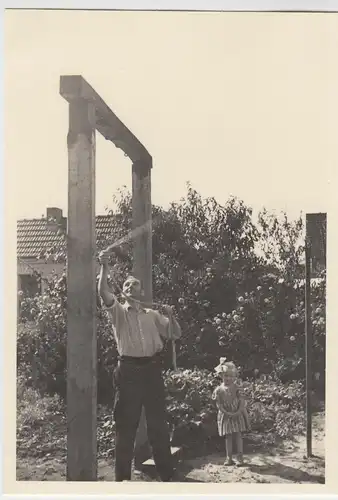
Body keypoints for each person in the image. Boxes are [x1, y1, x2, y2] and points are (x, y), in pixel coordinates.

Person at [98, 247, 182, 482]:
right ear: (122, 293)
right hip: (128, 372)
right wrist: (104, 267)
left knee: (158, 425)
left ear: (142, 291)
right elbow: (103, 291)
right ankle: (122, 479)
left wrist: (171, 315)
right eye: (126, 285)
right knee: (126, 427)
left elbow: (175, 334)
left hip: (152, 371)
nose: (129, 288)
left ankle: (167, 475)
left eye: (134, 285)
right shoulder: (117, 312)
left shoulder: (152, 314)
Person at [212, 357, 250, 466]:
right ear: (221, 376)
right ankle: (229, 457)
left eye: (231, 376)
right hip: (226, 414)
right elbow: (218, 404)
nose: (228, 378)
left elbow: (242, 401)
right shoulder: (219, 390)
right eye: (226, 376)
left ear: (235, 377)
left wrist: (238, 411)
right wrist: (226, 412)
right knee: (228, 436)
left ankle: (240, 457)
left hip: (237, 413)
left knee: (238, 435)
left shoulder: (238, 388)